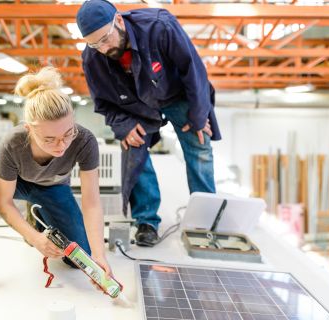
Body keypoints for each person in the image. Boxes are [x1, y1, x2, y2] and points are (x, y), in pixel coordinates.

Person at [0, 66, 112, 302]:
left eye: (68, 133)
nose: (62, 145)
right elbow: (4, 202)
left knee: (78, 258)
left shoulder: (84, 140)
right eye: (49, 139)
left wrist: (99, 256)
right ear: (29, 129)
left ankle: (36, 214)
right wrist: (36, 240)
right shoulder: (13, 143)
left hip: (53, 188)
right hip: (17, 183)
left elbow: (91, 202)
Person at [77, 0, 221, 247]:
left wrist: (199, 117)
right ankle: (146, 222)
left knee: (199, 144)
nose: (102, 47)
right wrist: (123, 126)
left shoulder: (160, 26)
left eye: (105, 38)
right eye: (94, 43)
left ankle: (205, 219)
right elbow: (102, 103)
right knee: (133, 148)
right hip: (135, 105)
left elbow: (193, 70)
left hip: (178, 94)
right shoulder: (92, 58)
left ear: (119, 21)